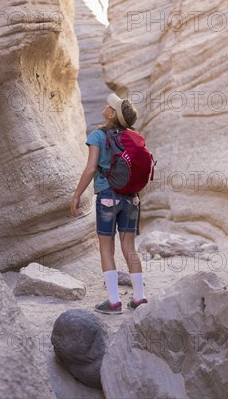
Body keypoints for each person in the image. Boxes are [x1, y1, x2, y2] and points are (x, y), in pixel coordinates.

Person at [71, 93, 148, 314]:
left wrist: (77, 195)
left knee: (107, 249)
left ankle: (114, 302)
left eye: (110, 105)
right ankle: (139, 298)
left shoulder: (97, 136)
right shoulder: (133, 137)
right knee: (129, 248)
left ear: (112, 114)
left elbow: (91, 168)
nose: (106, 105)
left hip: (107, 197)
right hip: (131, 198)